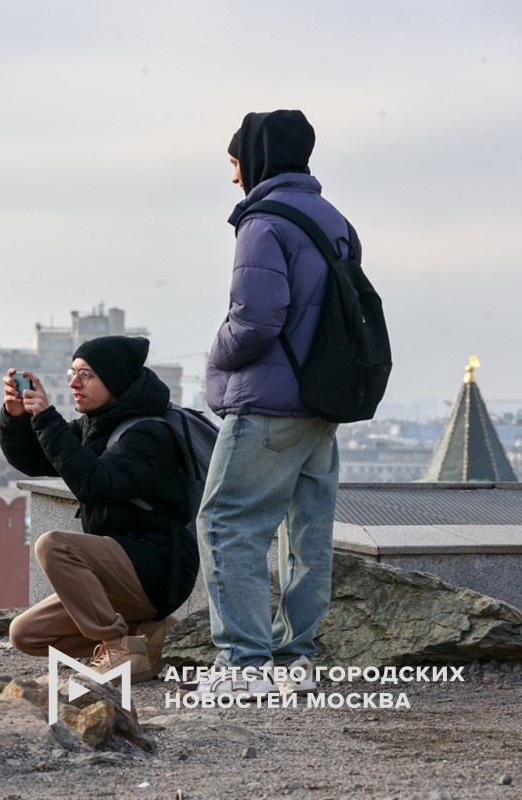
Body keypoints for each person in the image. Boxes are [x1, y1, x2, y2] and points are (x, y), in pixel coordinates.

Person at [192, 110, 346, 697]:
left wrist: (216, 354)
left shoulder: (263, 222)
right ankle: (294, 659)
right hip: (322, 401)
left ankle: (243, 664)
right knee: (307, 531)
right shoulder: (333, 219)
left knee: (226, 522)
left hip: (270, 403)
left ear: (257, 158)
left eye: (235, 162)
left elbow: (255, 318)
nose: (234, 176)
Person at [1, 335, 198, 681]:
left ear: (115, 380)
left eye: (86, 375)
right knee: (25, 634)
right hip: (116, 573)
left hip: (158, 568)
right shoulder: (97, 425)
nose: (74, 383)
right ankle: (149, 636)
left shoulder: (148, 434)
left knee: (53, 545)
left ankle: (118, 647)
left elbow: (95, 484)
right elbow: (35, 459)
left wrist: (47, 418)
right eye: (72, 373)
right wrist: (17, 417)